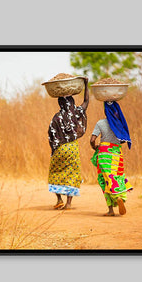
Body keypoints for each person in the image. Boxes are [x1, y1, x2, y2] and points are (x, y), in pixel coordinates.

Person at [47, 78, 89, 210]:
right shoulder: (76, 113)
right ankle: (69, 203)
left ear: (60, 103)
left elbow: (51, 134)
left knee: (55, 172)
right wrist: (86, 84)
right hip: (72, 148)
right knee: (72, 173)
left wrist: (54, 149)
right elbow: (86, 101)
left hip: (59, 149)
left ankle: (59, 199)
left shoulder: (56, 117)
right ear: (72, 102)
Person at [90, 100, 132, 216]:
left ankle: (111, 210)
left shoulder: (100, 123)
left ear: (105, 111)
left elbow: (92, 140)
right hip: (117, 153)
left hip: (104, 154)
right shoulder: (119, 123)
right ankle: (121, 198)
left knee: (105, 179)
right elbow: (124, 139)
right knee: (117, 177)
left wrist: (95, 147)